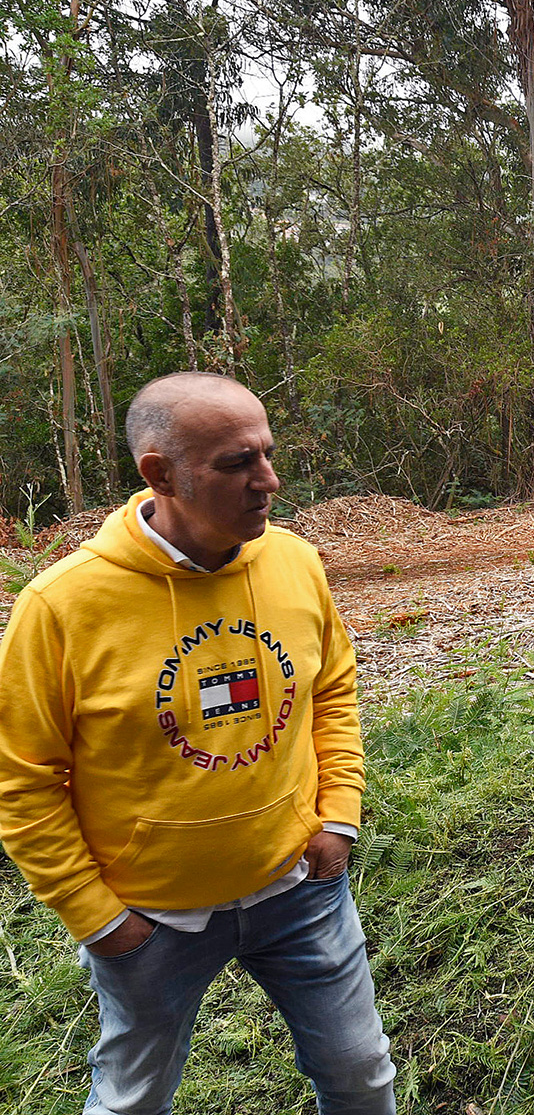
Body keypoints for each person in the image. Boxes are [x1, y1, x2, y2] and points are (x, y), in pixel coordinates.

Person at [0, 373, 396, 1114]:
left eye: (268, 454)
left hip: (299, 890)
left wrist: (338, 815)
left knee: (360, 1072)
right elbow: (22, 785)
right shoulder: (60, 607)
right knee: (132, 1099)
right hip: (150, 920)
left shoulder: (294, 563)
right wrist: (101, 921)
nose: (268, 481)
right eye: (237, 462)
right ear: (160, 473)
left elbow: (332, 692)